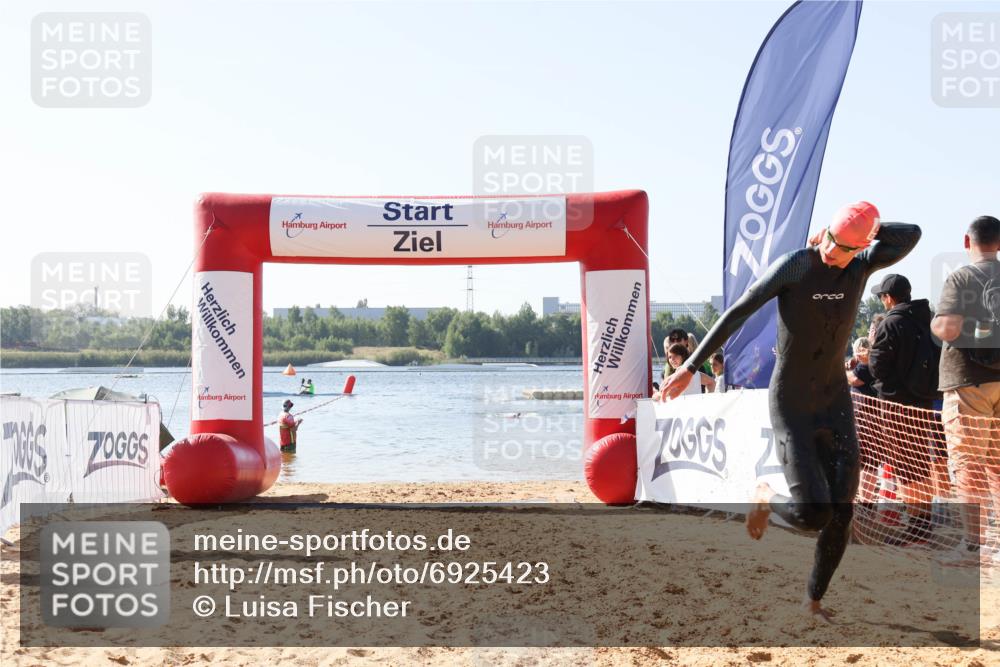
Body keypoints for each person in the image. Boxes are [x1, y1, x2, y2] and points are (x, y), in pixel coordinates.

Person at [658, 201, 921, 620]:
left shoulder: (862, 264)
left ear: (862, 246)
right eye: (831, 241)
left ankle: (813, 599)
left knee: (843, 510)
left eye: (843, 248)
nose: (831, 253)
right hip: (791, 402)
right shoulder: (797, 265)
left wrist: (868, 231)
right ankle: (764, 501)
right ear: (826, 232)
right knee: (813, 514)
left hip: (834, 401)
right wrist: (690, 367)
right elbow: (737, 311)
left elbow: (912, 233)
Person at [931, 215, 1000, 563]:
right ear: (999, 243)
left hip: (967, 380)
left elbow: (947, 328)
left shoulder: (962, 277)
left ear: (966, 241)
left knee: (968, 464)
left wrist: (935, 321)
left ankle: (973, 545)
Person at [867, 274, 943, 544]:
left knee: (905, 467)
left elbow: (877, 366)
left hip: (897, 405)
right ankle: (922, 526)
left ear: (889, 298)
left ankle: (917, 529)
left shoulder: (891, 322)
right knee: (921, 465)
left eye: (882, 297)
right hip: (924, 402)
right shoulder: (928, 320)